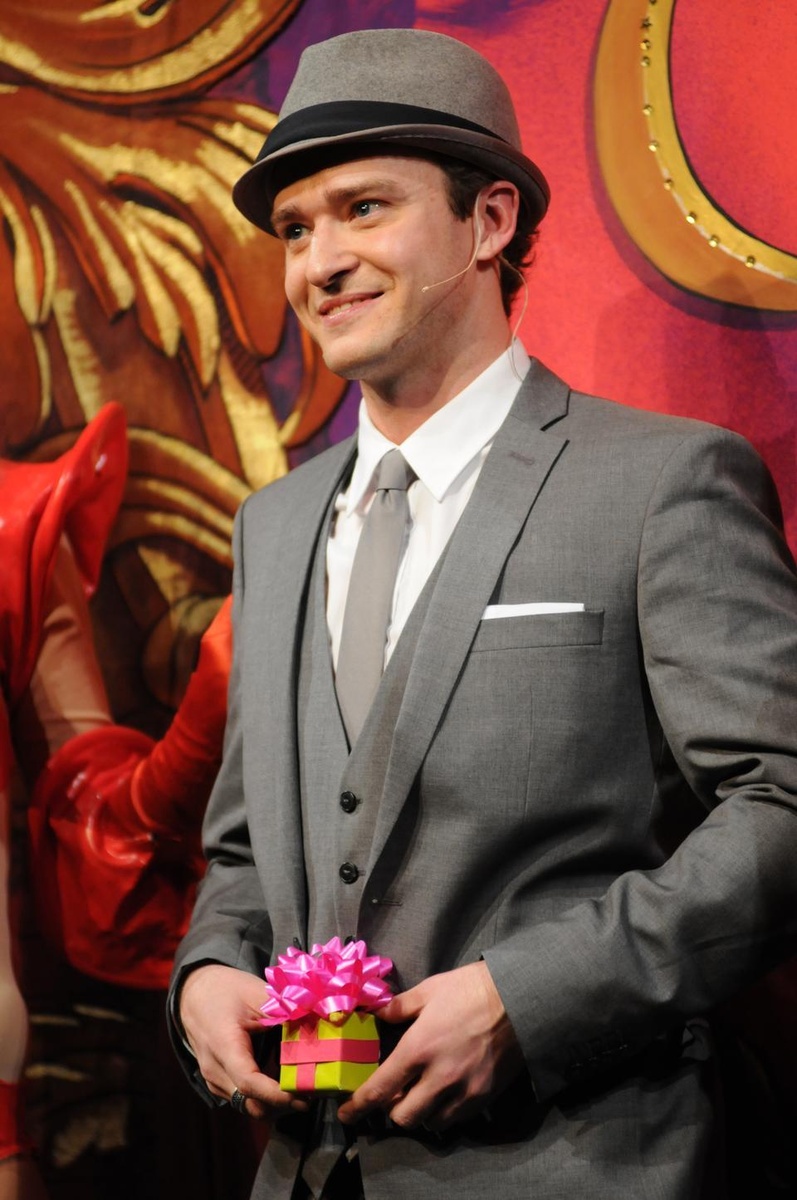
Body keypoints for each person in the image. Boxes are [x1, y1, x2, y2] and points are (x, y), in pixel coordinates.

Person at [168, 27, 797, 1200]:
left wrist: (531, 997)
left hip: (584, 1163)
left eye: (363, 208)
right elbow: (249, 849)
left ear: (489, 221)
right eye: (294, 228)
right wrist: (207, 971)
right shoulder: (275, 524)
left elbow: (782, 803)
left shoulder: (659, 482)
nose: (318, 263)